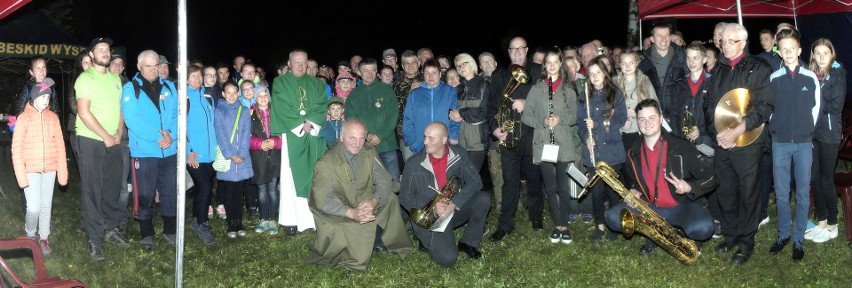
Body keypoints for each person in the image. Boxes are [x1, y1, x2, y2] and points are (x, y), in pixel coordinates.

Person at [604, 98, 717, 254]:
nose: (647, 123)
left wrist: (690, 186)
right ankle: (655, 235)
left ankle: (666, 233)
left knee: (703, 228)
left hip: (681, 206)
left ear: (661, 118)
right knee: (613, 218)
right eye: (642, 119)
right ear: (637, 122)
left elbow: (712, 178)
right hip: (650, 208)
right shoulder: (632, 151)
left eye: (652, 118)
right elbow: (633, 180)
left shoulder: (682, 146)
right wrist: (634, 190)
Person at [704, 23, 774, 265]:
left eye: (729, 41)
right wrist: (718, 136)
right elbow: (709, 106)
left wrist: (738, 131)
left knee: (748, 193)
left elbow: (764, 106)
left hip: (748, 142)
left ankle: (746, 241)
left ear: (742, 43)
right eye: (722, 41)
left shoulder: (759, 68)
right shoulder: (719, 70)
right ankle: (731, 234)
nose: (723, 45)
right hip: (723, 144)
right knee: (725, 190)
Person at [307, 119, 412, 271]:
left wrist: (374, 201)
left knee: (390, 198)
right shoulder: (326, 162)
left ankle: (382, 239)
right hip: (339, 207)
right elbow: (322, 200)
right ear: (342, 137)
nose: (358, 143)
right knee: (352, 233)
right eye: (352, 138)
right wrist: (351, 212)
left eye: (361, 138)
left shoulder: (369, 152)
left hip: (364, 200)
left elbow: (384, 181)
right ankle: (366, 243)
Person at [399, 122, 489, 268]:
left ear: (444, 140)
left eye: (431, 138)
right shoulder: (413, 163)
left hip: (451, 210)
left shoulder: (459, 154)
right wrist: (433, 207)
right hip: (430, 218)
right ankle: (426, 240)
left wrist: (454, 203)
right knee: (448, 259)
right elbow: (405, 197)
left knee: (483, 199)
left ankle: (468, 243)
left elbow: (475, 182)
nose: (425, 142)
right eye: (425, 137)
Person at [766, 28, 819, 262]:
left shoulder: (810, 77)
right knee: (781, 193)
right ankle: (783, 234)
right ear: (779, 52)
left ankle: (798, 238)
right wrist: (776, 128)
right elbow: (769, 110)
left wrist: (807, 131)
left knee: (803, 193)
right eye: (783, 49)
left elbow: (815, 110)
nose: (788, 52)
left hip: (804, 143)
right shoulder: (774, 79)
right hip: (780, 143)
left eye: (792, 48)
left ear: (799, 50)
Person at [75, 37, 130, 261]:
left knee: (112, 187)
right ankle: (94, 238)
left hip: (113, 140)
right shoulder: (85, 78)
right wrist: (105, 136)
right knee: (92, 189)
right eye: (100, 49)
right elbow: (84, 112)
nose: (105, 52)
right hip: (90, 140)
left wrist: (117, 134)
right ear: (91, 54)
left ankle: (110, 229)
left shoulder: (116, 79)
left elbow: (120, 109)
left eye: (107, 49)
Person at [520, 47, 581, 244]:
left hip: (563, 143)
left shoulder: (568, 89)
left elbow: (575, 116)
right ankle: (557, 225)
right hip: (543, 144)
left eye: (556, 61)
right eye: (549, 62)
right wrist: (543, 122)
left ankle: (565, 225)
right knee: (551, 186)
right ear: (544, 66)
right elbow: (527, 116)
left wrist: (560, 118)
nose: (553, 65)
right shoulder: (537, 89)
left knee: (563, 187)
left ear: (561, 64)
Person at [488, 36, 544, 241]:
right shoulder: (499, 75)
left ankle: (536, 216)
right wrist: (494, 129)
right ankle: (505, 224)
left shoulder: (539, 71)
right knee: (509, 182)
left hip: (532, 135)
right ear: (509, 52)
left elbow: (549, 99)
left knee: (534, 179)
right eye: (513, 49)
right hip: (508, 137)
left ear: (527, 50)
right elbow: (491, 107)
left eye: (521, 48)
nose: (517, 52)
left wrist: (526, 102)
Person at [122, 50, 179, 250]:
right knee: (145, 194)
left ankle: (170, 231)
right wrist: (157, 136)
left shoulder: (170, 87)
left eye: (156, 66)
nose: (154, 70)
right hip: (145, 151)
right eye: (149, 66)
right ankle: (146, 232)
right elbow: (131, 119)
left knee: (170, 191)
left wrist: (171, 134)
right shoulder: (131, 89)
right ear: (139, 67)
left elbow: (176, 114)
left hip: (169, 150)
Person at [271, 49, 328, 234]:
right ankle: (291, 221)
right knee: (290, 179)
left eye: (304, 62)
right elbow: (280, 106)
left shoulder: (316, 84)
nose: (301, 65)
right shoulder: (280, 82)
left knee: (313, 176)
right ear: (289, 63)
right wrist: (299, 124)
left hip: (312, 136)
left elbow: (321, 104)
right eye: (297, 61)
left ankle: (311, 220)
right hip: (292, 135)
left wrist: (310, 123)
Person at [12, 77, 68, 255]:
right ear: (34, 96)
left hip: (50, 169)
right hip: (31, 170)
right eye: (43, 96)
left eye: (48, 97)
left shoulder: (53, 118)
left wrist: (62, 173)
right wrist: (21, 176)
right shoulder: (23, 118)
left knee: (46, 205)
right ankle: (30, 234)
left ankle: (44, 237)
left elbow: (60, 145)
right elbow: (17, 148)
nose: (47, 100)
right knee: (34, 207)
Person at [578, 57, 628, 242]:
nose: (595, 77)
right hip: (593, 154)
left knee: (613, 192)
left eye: (598, 72)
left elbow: (620, 119)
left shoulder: (615, 94)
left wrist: (598, 124)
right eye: (591, 74)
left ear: (604, 73)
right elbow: (580, 124)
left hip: (612, 152)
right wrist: (586, 137)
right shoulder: (584, 96)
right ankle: (599, 226)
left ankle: (614, 227)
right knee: (597, 192)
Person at [808, 38, 847, 244]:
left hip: (829, 134)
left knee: (825, 179)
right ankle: (822, 221)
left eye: (826, 53)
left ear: (832, 54)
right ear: (813, 55)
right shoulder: (812, 74)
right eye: (818, 53)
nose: (822, 57)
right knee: (813, 178)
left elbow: (835, 105)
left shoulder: (838, 73)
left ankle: (833, 225)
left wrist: (812, 103)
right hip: (812, 133)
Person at [345, 58, 401, 180]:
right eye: (366, 71)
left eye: (373, 70)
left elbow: (393, 115)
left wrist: (380, 135)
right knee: (368, 184)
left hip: (386, 146)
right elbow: (351, 120)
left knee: (393, 183)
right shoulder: (353, 95)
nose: (370, 74)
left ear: (376, 72)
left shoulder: (386, 90)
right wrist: (364, 137)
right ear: (359, 73)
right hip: (363, 147)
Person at [185, 66, 219, 245]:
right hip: (194, 155)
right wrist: (187, 152)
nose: (197, 79)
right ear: (187, 79)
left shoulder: (207, 98)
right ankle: (202, 224)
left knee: (202, 188)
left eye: (199, 76)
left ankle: (195, 218)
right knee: (205, 187)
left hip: (210, 154)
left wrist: (217, 149)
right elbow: (179, 127)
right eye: (193, 76)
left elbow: (213, 125)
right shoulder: (185, 98)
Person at [215, 81, 253, 238]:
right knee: (229, 192)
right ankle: (231, 223)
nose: (231, 96)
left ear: (238, 94)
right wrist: (231, 154)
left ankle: (239, 222)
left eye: (234, 92)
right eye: (228, 92)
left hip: (242, 158)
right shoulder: (219, 111)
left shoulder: (244, 111)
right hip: (228, 158)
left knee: (239, 192)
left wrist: (242, 154)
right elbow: (221, 134)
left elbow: (245, 133)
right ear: (223, 94)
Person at [402, 59, 460, 159]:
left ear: (440, 74)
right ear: (423, 74)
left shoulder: (449, 91)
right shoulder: (415, 94)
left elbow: (454, 116)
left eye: (434, 72)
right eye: (427, 73)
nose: (431, 76)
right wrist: (411, 142)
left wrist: (453, 136)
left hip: (443, 144)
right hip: (421, 145)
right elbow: (408, 119)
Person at [249, 86, 283, 235]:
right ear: (255, 99)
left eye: (265, 95)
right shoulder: (250, 115)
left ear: (269, 98)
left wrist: (275, 142)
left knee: (273, 190)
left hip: (274, 157)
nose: (263, 98)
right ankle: (263, 218)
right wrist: (260, 144)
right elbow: (246, 137)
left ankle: (272, 219)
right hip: (259, 158)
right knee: (262, 190)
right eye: (259, 96)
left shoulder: (276, 113)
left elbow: (284, 134)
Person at [452, 53, 492, 172]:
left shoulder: (484, 85)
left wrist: (461, 114)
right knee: (463, 178)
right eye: (458, 66)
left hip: (477, 141)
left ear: (472, 63)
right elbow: (451, 109)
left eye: (464, 64)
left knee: (472, 176)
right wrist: (451, 114)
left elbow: (484, 112)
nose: (461, 68)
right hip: (460, 141)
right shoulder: (458, 89)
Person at [638, 22, 688, 120]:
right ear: (652, 39)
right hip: (653, 114)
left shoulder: (682, 57)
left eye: (666, 35)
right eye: (660, 36)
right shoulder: (643, 60)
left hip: (677, 113)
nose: (664, 39)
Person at [615, 51, 658, 152]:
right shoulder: (613, 84)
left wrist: (638, 113)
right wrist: (620, 124)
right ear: (620, 65)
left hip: (641, 132)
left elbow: (655, 107)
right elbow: (608, 111)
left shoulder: (645, 82)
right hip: (620, 135)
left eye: (631, 63)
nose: (628, 66)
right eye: (624, 63)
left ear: (637, 63)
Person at [393, 50, 422, 157]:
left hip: (428, 134)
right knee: (411, 168)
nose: (410, 66)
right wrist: (410, 93)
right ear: (402, 66)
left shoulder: (428, 80)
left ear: (419, 64)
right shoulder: (396, 85)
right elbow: (395, 111)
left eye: (413, 62)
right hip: (406, 135)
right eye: (407, 63)